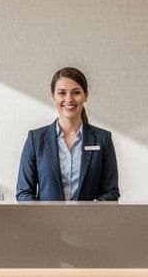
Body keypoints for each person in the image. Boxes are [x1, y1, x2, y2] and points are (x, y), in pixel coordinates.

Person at [16, 67, 120, 201]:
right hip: (47, 221)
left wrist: (93, 209)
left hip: (89, 221)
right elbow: (23, 192)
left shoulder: (103, 139)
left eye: (76, 92)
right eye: (62, 93)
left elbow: (111, 192)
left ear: (86, 96)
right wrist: (42, 217)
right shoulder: (35, 140)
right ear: (53, 97)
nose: (69, 99)